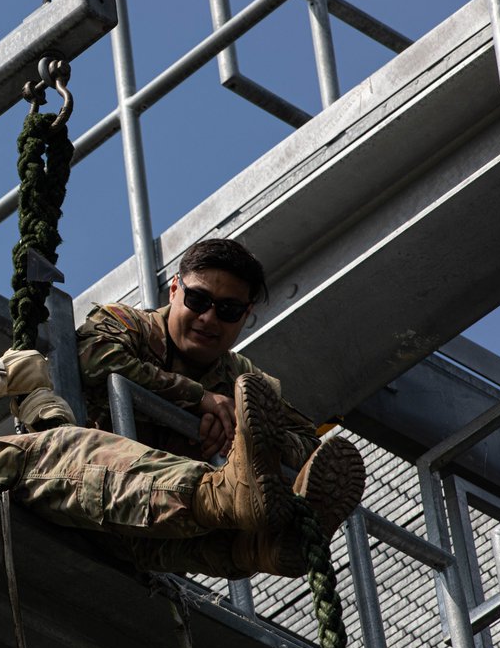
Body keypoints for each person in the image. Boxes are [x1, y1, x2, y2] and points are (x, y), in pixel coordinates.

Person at [0, 262, 365, 579]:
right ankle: (224, 496)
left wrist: (39, 401)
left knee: (129, 540)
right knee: (58, 455)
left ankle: (256, 548)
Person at [75, 239, 360, 574]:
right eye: (197, 300)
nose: (208, 319)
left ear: (246, 314)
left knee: (237, 544)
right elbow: (95, 361)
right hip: (90, 495)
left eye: (228, 310)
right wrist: (199, 401)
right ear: (173, 290)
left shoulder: (243, 379)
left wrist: (243, 436)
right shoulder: (128, 324)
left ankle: (266, 551)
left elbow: (309, 444)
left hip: (162, 535)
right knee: (212, 502)